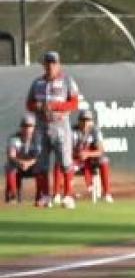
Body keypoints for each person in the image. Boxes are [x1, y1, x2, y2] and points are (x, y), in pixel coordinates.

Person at [25, 50, 80, 209]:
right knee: (41, 163)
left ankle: (68, 195)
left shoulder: (67, 81)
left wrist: (55, 106)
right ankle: (45, 195)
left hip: (60, 125)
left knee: (65, 161)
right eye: (48, 63)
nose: (50, 66)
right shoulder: (37, 83)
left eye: (53, 63)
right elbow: (29, 104)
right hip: (42, 125)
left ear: (59, 64)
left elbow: (74, 103)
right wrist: (38, 106)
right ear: (44, 65)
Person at [72, 109, 114, 203]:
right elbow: (65, 150)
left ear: (92, 122)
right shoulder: (72, 130)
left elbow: (100, 150)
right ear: (79, 121)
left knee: (104, 160)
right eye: (83, 120)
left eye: (88, 120)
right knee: (61, 162)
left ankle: (107, 193)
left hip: (90, 160)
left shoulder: (95, 131)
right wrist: (77, 154)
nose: (85, 123)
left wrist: (87, 154)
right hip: (75, 158)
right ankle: (63, 194)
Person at [5, 113, 41, 204]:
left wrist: (28, 163)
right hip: (19, 166)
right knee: (9, 165)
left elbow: (40, 157)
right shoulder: (14, 138)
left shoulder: (38, 139)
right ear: (21, 127)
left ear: (34, 128)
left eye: (30, 126)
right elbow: (11, 155)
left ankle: (40, 196)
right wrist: (20, 162)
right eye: (24, 126)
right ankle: (13, 195)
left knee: (42, 167)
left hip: (32, 166)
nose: (27, 129)